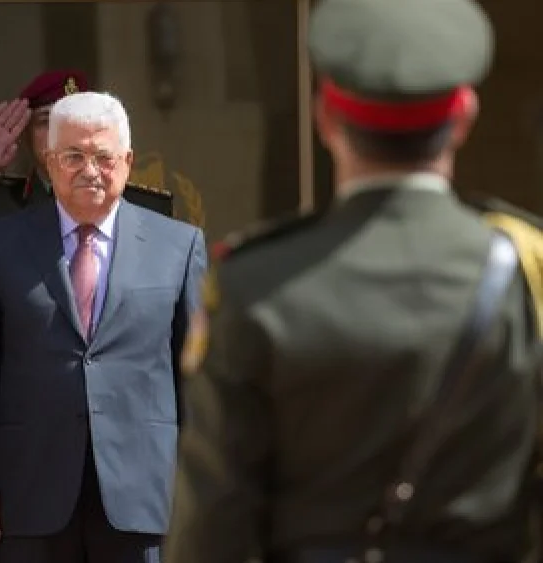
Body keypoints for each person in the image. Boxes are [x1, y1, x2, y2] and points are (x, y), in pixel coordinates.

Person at [164, 1, 543, 562]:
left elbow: (215, 522)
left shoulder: (253, 282)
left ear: (325, 118)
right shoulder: (528, 273)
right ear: (463, 117)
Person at [0, 91, 206, 563]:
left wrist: (205, 486)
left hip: (145, 491)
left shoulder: (180, 246)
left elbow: (195, 378)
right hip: (28, 489)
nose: (89, 170)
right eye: (72, 156)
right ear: (48, 161)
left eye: (103, 156)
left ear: (128, 161)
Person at [0, 70, 175, 278]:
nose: (62, 133)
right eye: (46, 121)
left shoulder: (146, 211)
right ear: (25, 135)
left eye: (74, 120)